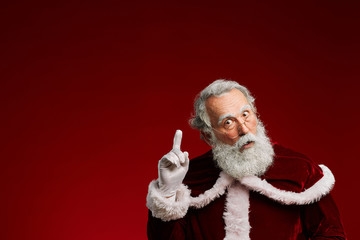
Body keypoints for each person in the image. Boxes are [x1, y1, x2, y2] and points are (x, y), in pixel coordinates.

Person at [146, 80, 346, 240]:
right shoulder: (190, 177)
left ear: (256, 114)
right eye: (228, 122)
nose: (244, 129)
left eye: (245, 114)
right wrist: (167, 193)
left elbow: (331, 234)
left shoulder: (300, 169)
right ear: (208, 136)